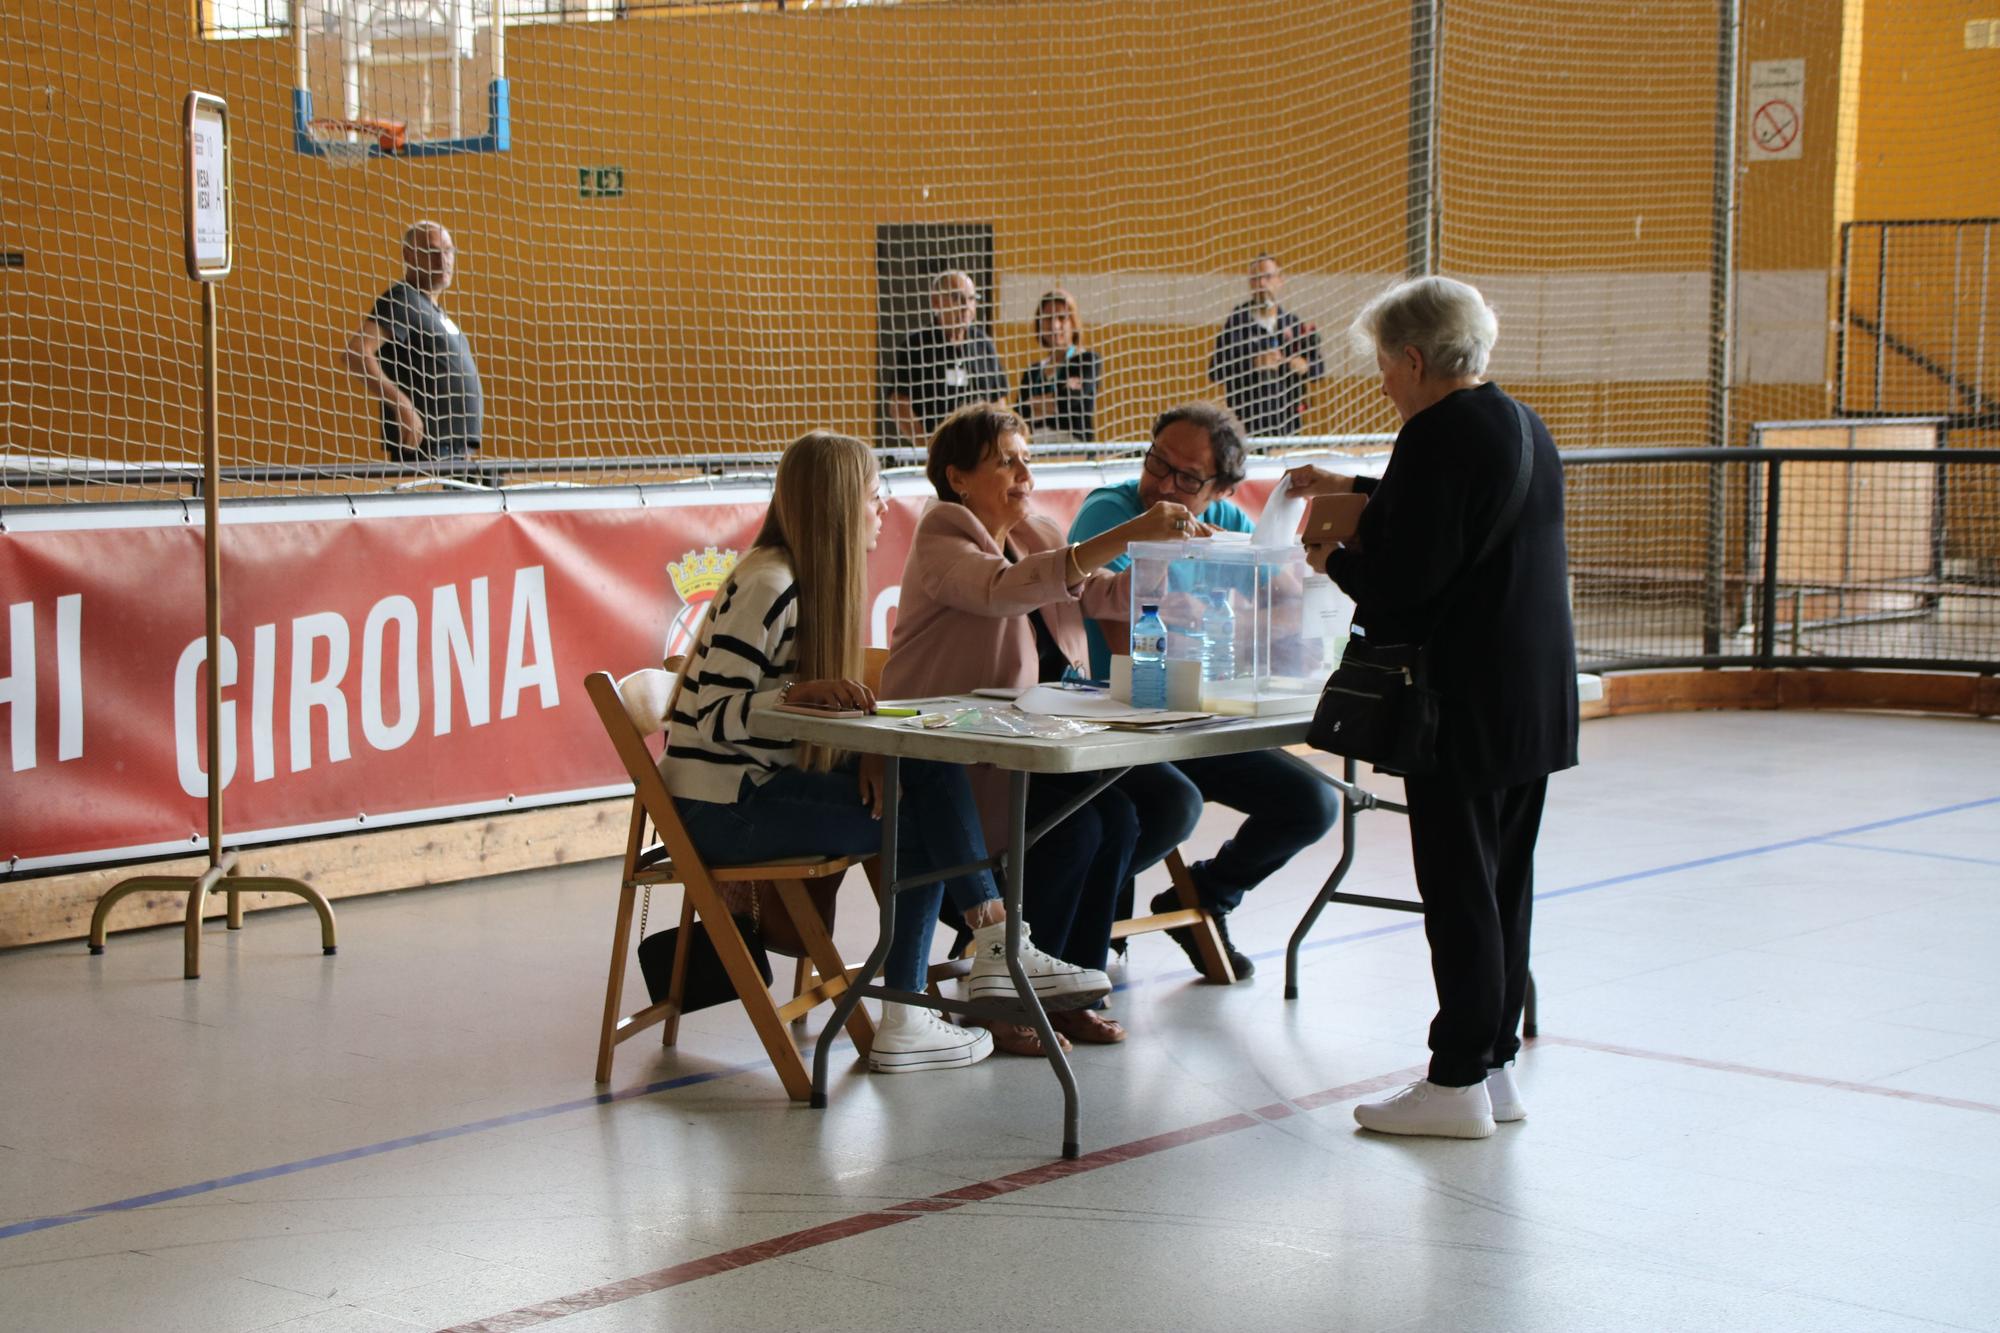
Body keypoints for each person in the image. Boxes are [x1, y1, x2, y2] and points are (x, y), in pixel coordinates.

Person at [663, 430, 1110, 1075]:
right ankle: (973, 961)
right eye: (873, 497)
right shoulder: (769, 581)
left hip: (760, 791)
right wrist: (797, 694)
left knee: (921, 768)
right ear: (839, 505)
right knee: (918, 809)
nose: (881, 511)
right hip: (723, 809)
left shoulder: (805, 581)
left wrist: (869, 750)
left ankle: (943, 986)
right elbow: (715, 715)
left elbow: (797, 713)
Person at [1288, 276, 1577, 1138]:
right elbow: (1454, 509)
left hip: (1463, 703)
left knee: (1456, 892)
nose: (1381, 383)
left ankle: (1453, 1078)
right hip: (1533, 699)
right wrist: (1357, 483)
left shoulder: (1433, 435)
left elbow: (1404, 591)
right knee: (1504, 884)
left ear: (1413, 359)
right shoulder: (1519, 423)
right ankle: (1493, 1071)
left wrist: (1332, 556)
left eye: (1383, 365)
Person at [881, 404, 1203, 1051]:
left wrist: (1157, 555)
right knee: (1084, 827)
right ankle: (1008, 988)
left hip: (1028, 746)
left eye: (1028, 457)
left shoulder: (1038, 532)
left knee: (1131, 816)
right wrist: (1125, 533)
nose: (1024, 472)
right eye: (1007, 460)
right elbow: (1002, 590)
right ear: (959, 477)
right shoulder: (942, 533)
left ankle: (1070, 989)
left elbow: (1105, 594)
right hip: (952, 762)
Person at [1067, 402, 1339, 980]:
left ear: (1219, 488)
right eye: (1157, 463)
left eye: (1186, 478)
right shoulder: (1112, 514)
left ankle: (1204, 898)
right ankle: (1065, 920)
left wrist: (1240, 560)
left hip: (1199, 719)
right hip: (1120, 722)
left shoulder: (1229, 521)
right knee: (1168, 803)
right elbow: (1126, 642)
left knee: (1312, 804)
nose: (1162, 485)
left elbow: (1289, 601)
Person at [343, 220, 484, 466]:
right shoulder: (402, 299)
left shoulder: (436, 312)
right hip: (427, 445)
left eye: (448, 251)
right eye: (432, 251)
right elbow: (356, 352)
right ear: (408, 255)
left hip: (455, 447)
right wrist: (402, 404)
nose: (444, 260)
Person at [1208, 253, 1324, 438]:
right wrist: (1253, 363)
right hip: (1246, 425)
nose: (1262, 284)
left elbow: (1319, 369)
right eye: (1255, 279)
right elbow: (1215, 371)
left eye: (1268, 277)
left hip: (1287, 425)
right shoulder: (1238, 323)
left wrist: (1304, 366)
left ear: (1280, 280)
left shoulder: (1292, 324)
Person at [889, 270, 1008, 448]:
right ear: (936, 301)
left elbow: (999, 401)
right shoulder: (915, 346)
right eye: (956, 298)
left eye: (971, 299)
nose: (965, 306)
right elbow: (899, 404)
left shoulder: (984, 345)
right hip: (935, 448)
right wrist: (927, 445)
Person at [1016, 288, 1100, 444]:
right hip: (1038, 449)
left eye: (1062, 318)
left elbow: (1069, 401)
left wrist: (1034, 403)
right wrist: (1057, 397)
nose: (1055, 325)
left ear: (1073, 323)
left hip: (1074, 449)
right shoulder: (1033, 371)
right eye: (1048, 318)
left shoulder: (1086, 360)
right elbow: (1020, 412)